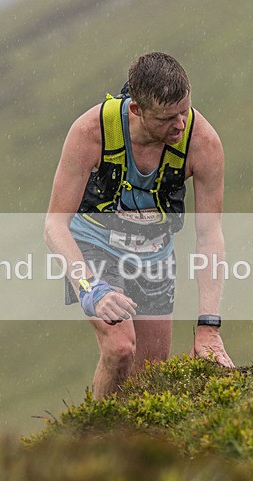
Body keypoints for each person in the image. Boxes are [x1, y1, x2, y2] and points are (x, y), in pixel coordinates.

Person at [45, 51, 234, 398]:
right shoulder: (91, 132)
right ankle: (97, 438)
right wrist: (90, 288)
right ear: (136, 109)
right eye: (167, 118)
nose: (180, 125)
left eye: (184, 111)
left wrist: (209, 327)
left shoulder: (202, 143)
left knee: (151, 380)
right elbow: (55, 226)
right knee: (120, 349)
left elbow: (209, 236)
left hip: (154, 253)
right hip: (95, 243)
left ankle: (135, 447)